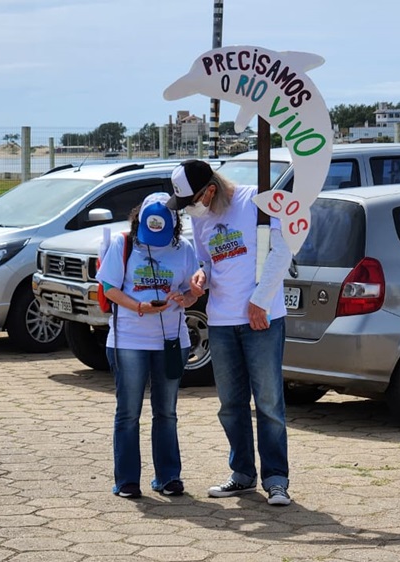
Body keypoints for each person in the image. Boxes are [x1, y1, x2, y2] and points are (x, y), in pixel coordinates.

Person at [165, 159, 294, 506]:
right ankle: (242, 474)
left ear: (210, 190)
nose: (189, 210)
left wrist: (260, 301)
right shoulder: (199, 216)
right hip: (221, 321)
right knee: (230, 404)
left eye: (191, 201)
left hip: (261, 319)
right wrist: (200, 279)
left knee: (268, 403)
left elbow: (282, 252)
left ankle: (276, 480)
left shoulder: (256, 201)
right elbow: (208, 262)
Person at [97, 192, 199, 499]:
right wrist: (139, 307)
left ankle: (168, 477)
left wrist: (188, 297)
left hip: (171, 340)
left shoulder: (184, 248)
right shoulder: (124, 243)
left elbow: (193, 289)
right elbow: (109, 288)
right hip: (129, 339)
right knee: (128, 411)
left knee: (166, 412)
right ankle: (127, 480)